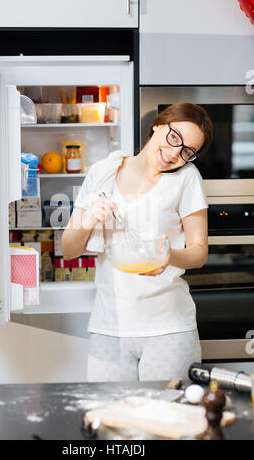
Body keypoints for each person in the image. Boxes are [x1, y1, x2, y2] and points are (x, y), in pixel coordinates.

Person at [62, 102, 213, 382]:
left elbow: (199, 252)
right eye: (173, 138)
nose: (173, 154)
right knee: (111, 418)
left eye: (187, 152)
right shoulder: (102, 172)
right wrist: (89, 221)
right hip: (110, 326)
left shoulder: (186, 179)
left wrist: (169, 256)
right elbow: (68, 250)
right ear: (158, 125)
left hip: (168, 327)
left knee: (166, 419)